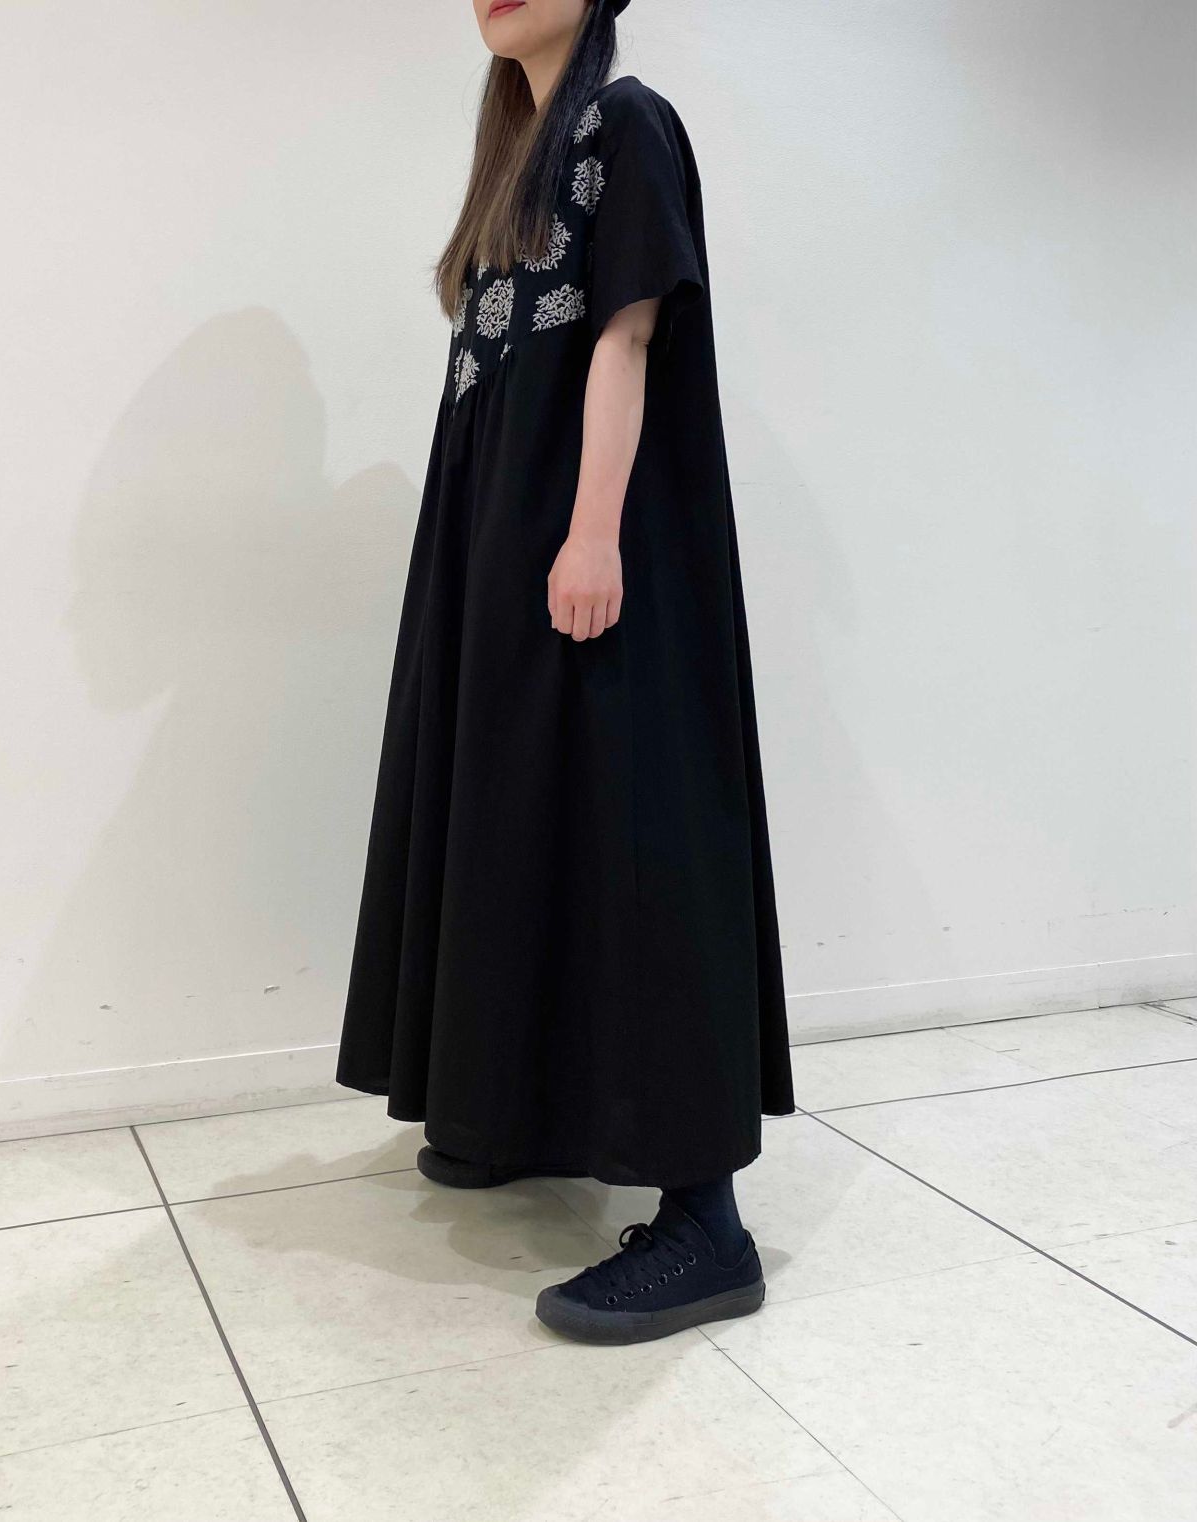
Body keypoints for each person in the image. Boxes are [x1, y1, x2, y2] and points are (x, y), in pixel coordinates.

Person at [336, 0, 794, 1345]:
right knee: (520, 816)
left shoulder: (625, 123)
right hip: (498, 543)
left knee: (634, 835)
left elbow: (625, 336)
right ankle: (516, 1109)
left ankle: (705, 1224)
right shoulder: (517, 159)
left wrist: (594, 532)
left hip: (584, 543)